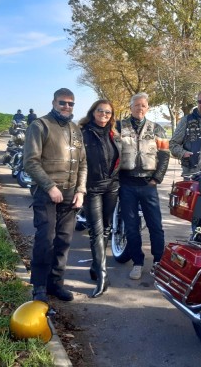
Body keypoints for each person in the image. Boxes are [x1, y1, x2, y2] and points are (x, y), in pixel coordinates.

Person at [23, 88, 87, 302]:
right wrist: (50, 186)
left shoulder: (75, 129)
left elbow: (83, 163)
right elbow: (30, 162)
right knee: (45, 240)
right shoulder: (39, 125)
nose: (66, 106)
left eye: (70, 103)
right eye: (62, 102)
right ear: (53, 102)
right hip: (46, 193)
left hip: (70, 194)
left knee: (63, 240)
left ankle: (56, 283)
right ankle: (39, 286)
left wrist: (81, 190)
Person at [118, 93, 170, 280]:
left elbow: (164, 154)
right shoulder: (119, 127)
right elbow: (111, 152)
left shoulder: (157, 128)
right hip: (127, 184)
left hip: (149, 184)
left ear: (147, 108)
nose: (140, 108)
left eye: (143, 105)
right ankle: (137, 262)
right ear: (130, 107)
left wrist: (157, 178)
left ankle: (158, 261)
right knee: (131, 227)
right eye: (136, 105)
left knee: (155, 224)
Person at [77, 100, 121, 298]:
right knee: (96, 231)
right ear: (93, 112)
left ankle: (96, 267)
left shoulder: (114, 133)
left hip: (112, 186)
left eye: (108, 112)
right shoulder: (82, 133)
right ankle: (103, 277)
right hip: (92, 187)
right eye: (100, 111)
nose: (104, 114)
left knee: (106, 228)